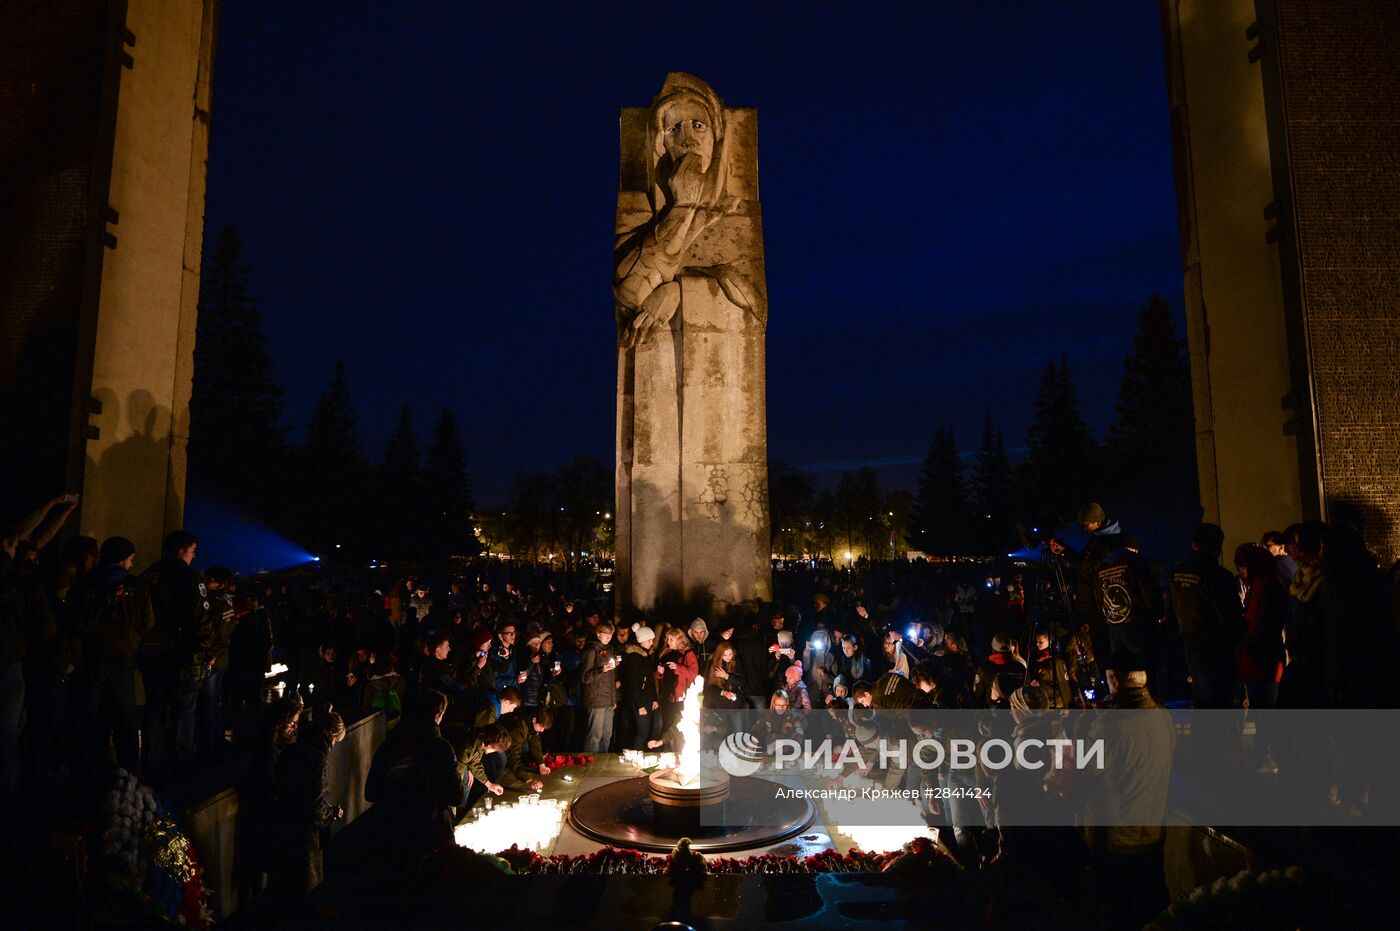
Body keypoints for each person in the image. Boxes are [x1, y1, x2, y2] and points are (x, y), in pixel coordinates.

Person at [1075, 650, 1176, 929]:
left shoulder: (1107, 727)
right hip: (1153, 833)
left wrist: (1082, 733)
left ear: (1114, 681)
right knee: (1156, 910)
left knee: (1119, 912)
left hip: (1117, 840)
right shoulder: (1163, 717)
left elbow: (1084, 774)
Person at [74, 537, 154, 780]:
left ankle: (87, 772)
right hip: (122, 659)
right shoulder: (137, 586)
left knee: (90, 717)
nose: (131, 565)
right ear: (122, 559)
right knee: (125, 717)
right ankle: (128, 775)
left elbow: (76, 621)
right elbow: (148, 622)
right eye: (130, 560)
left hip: (91, 659)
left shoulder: (86, 583)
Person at [364, 690, 467, 863]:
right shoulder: (441, 749)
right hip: (430, 832)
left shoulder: (390, 745)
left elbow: (371, 792)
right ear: (437, 715)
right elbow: (456, 796)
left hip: (391, 831)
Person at [140, 530, 209, 774]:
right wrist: (203, 650)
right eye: (192, 551)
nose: (194, 556)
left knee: (155, 704)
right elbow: (200, 618)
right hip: (181, 651)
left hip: (149, 649)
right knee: (184, 706)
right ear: (181, 551)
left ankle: (151, 759)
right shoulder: (190, 577)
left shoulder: (148, 574)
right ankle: (181, 759)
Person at [269, 704, 345, 898]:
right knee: (305, 891)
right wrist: (331, 813)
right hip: (303, 836)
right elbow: (314, 803)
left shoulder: (294, 748)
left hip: (282, 827)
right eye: (336, 740)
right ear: (331, 736)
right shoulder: (318, 758)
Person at [1168, 523, 1243, 708]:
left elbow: (1174, 607)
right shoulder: (1220, 576)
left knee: (1201, 698)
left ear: (1194, 544)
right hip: (1217, 649)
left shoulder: (1177, 574)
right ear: (1218, 547)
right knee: (1219, 701)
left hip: (1190, 643)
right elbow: (1230, 617)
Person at [657, 627, 700, 750]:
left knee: (679, 729)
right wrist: (660, 672)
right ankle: (666, 756)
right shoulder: (666, 653)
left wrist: (678, 668)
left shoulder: (688, 654)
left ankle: (680, 755)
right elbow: (660, 675)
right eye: (668, 639)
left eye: (671, 639)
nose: (668, 642)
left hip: (683, 699)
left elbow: (693, 674)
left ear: (680, 640)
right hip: (668, 697)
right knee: (666, 727)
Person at [619, 625, 661, 750]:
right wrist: (639, 705)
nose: (651, 643)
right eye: (649, 640)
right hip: (639, 699)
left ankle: (641, 754)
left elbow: (650, 680)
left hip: (647, 698)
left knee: (646, 730)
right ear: (641, 640)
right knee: (643, 731)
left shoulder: (646, 657)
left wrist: (654, 698)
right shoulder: (633, 658)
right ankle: (636, 755)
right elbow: (632, 684)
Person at [580, 621, 620, 752]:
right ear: (598, 634)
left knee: (607, 735)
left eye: (611, 635)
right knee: (595, 735)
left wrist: (614, 699)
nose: (609, 637)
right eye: (606, 634)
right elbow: (585, 678)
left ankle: (604, 762)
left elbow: (611, 678)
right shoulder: (591, 650)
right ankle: (591, 764)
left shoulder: (608, 650)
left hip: (608, 699)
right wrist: (601, 669)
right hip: (596, 699)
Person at [703, 642, 744, 709]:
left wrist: (726, 676)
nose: (728, 657)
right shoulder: (713, 665)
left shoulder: (736, 662)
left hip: (735, 704)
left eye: (730, 654)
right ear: (720, 654)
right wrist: (723, 692)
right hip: (718, 705)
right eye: (725, 655)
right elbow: (708, 687)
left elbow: (742, 682)